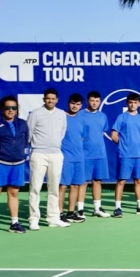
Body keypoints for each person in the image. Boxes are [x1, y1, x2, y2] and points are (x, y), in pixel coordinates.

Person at [27, 88, 68, 229]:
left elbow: (62, 132)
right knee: (35, 188)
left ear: (57, 100)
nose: (50, 100)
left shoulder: (61, 114)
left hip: (56, 154)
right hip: (39, 154)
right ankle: (33, 219)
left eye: (53, 98)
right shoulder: (36, 114)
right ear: (44, 99)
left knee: (54, 188)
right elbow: (29, 133)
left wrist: (54, 145)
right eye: (48, 98)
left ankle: (53, 218)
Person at [0, 96, 29, 235]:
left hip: (17, 163)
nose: (10, 110)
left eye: (14, 108)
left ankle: (14, 223)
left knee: (13, 193)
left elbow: (25, 141)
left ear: (17, 109)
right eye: (7, 108)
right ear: (2, 109)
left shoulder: (23, 124)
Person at [110, 92, 140, 217]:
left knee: (138, 180)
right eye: (130, 102)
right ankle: (117, 208)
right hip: (125, 155)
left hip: (139, 155)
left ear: (139, 104)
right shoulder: (122, 117)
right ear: (127, 103)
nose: (133, 105)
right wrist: (123, 145)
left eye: (135, 102)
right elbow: (113, 135)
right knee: (121, 181)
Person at [77, 91, 111, 218]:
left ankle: (97, 208)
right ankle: (80, 210)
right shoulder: (80, 115)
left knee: (97, 181)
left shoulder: (102, 116)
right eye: (92, 100)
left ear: (100, 102)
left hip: (100, 154)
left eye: (97, 101)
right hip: (85, 154)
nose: (94, 103)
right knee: (83, 182)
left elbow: (102, 132)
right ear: (87, 101)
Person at [57, 93, 87, 224]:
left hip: (79, 158)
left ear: (81, 105)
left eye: (78, 104)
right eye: (73, 103)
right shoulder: (61, 117)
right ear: (68, 103)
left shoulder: (81, 120)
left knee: (75, 185)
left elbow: (82, 137)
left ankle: (70, 212)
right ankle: (59, 213)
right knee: (63, 186)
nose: (75, 106)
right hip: (65, 157)